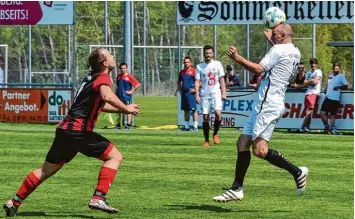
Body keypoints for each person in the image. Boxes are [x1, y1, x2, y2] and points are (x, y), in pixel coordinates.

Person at [3, 48, 140, 217]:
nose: (113, 56)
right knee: (115, 157)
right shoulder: (103, 78)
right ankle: (98, 197)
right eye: (109, 54)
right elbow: (106, 96)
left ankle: (14, 202)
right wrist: (126, 107)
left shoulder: (91, 78)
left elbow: (100, 104)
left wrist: (123, 111)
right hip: (78, 131)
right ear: (105, 62)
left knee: (46, 170)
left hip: (65, 130)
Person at [212, 24, 308, 203]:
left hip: (268, 104)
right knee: (242, 142)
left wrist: (237, 57)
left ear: (283, 35)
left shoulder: (278, 50)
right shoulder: (295, 51)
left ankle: (298, 172)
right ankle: (237, 188)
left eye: (276, 34)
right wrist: (273, 39)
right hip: (266, 102)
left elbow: (258, 69)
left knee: (260, 150)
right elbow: (280, 51)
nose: (273, 36)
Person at [195, 45, 226, 147]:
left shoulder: (217, 64)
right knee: (205, 117)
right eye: (206, 53)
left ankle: (216, 133)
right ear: (204, 54)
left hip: (216, 93)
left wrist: (224, 92)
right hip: (205, 94)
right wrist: (197, 94)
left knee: (218, 113)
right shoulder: (199, 66)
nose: (208, 55)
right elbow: (197, 81)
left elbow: (221, 79)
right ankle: (207, 140)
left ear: (212, 54)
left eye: (209, 53)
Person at [294, 58, 322, 133]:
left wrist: (308, 82)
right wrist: (310, 81)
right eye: (312, 63)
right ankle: (307, 128)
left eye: (314, 63)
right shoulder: (308, 73)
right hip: (307, 93)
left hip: (314, 93)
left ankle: (301, 127)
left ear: (317, 64)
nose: (313, 65)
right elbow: (305, 83)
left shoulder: (318, 71)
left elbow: (315, 81)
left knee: (308, 111)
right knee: (308, 112)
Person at [320, 63, 348, 134]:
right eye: (335, 68)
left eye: (337, 69)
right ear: (333, 69)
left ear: (339, 69)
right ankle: (327, 126)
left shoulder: (341, 76)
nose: (336, 70)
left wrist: (338, 87)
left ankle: (330, 129)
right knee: (322, 113)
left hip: (335, 98)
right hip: (327, 97)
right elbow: (329, 84)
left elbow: (346, 86)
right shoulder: (330, 76)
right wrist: (326, 89)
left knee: (332, 115)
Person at [115, 63, 141, 130]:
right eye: (121, 68)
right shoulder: (118, 76)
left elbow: (137, 84)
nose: (122, 70)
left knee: (128, 110)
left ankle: (128, 125)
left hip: (126, 96)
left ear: (126, 69)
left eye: (124, 68)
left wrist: (131, 91)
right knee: (118, 110)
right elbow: (117, 86)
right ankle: (118, 125)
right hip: (118, 96)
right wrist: (115, 93)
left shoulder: (129, 76)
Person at [178, 56, 198, 132]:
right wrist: (179, 89)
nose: (186, 63)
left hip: (191, 94)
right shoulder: (182, 72)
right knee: (185, 110)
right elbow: (179, 81)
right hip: (184, 93)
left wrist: (195, 89)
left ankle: (195, 127)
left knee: (194, 110)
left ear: (190, 63)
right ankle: (186, 127)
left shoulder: (194, 71)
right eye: (185, 62)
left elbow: (199, 82)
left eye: (187, 62)